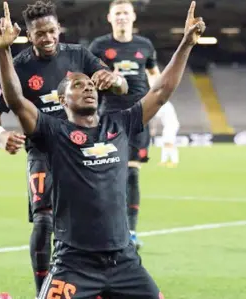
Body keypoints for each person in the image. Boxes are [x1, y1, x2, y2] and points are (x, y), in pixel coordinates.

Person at [0, 1, 205, 298]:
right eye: (78, 85)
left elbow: (160, 91)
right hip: (75, 265)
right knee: (42, 222)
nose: (88, 86)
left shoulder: (120, 124)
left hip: (125, 263)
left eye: (90, 84)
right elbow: (15, 100)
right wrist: (4, 51)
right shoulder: (53, 134)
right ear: (63, 100)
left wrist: (185, 44)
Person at [0, 1, 128, 297]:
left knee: (87, 216)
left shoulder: (79, 56)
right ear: (28, 34)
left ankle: (97, 283)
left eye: (52, 31)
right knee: (44, 219)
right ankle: (44, 291)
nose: (48, 38)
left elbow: (121, 87)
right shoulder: (21, 67)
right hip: (44, 152)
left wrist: (114, 80)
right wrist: (0, 133)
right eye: (40, 33)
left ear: (58, 29)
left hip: (83, 151)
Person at [89, 0, 161, 249]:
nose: (121, 17)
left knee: (131, 174)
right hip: (109, 116)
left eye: (125, 13)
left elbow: (154, 74)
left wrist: (158, 98)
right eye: (117, 13)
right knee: (107, 175)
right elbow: (87, 77)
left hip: (140, 117)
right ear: (109, 18)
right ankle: (105, 227)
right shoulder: (99, 46)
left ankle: (130, 232)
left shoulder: (145, 46)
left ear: (133, 17)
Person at [151, 101, 180, 167]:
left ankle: (174, 162)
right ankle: (163, 161)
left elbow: (156, 117)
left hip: (171, 125)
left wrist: (154, 128)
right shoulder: (165, 104)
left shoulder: (164, 105)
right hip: (168, 125)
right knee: (165, 143)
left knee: (169, 143)